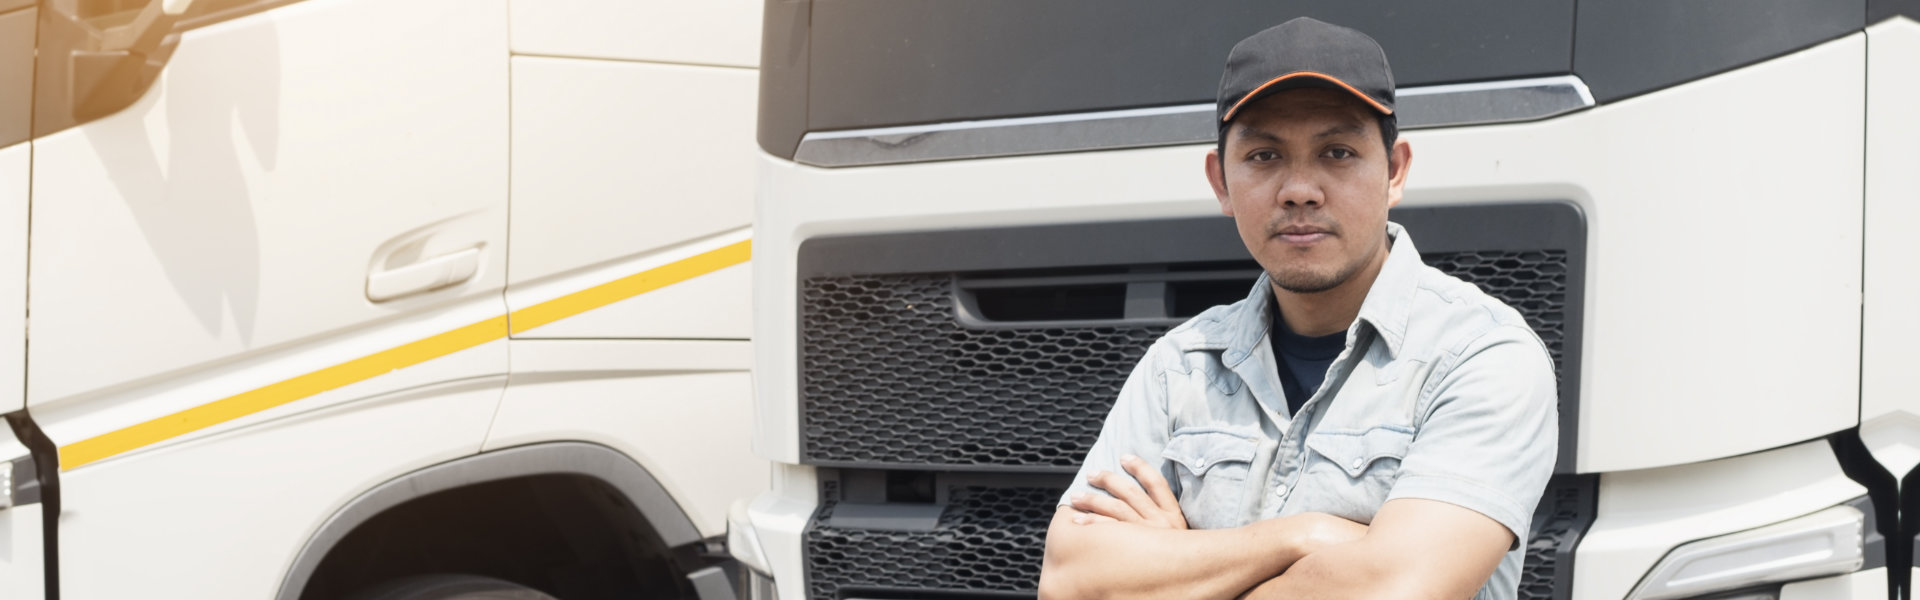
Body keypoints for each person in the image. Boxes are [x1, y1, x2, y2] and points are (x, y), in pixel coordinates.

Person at [1036, 17, 1558, 600]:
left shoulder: (1481, 356)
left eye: (1337, 152)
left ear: (1395, 171)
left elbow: (1395, 590)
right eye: (1264, 156)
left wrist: (1178, 563)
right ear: (1221, 182)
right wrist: (1302, 537)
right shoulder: (1178, 368)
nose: (1300, 189)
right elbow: (1071, 580)